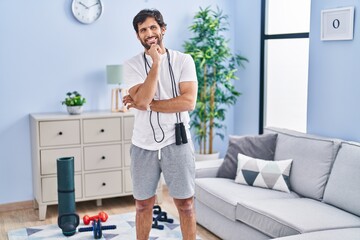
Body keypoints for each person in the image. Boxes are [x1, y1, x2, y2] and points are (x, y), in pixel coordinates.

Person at [122, 9, 198, 240]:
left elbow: (188, 102)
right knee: (143, 204)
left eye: (153, 27)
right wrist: (156, 63)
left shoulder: (184, 60)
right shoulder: (132, 65)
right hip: (143, 144)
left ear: (163, 29)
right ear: (138, 36)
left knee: (185, 204)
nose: (149, 33)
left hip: (178, 141)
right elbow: (141, 100)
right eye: (143, 29)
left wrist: (146, 102)